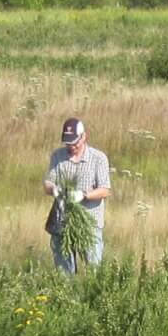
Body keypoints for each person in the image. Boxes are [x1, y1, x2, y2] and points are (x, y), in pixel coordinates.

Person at [43, 117, 112, 273]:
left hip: (90, 224)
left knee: (93, 270)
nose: (72, 146)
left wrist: (84, 195)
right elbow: (48, 183)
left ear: (84, 137)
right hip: (62, 223)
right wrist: (55, 190)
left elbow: (105, 190)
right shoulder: (57, 156)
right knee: (64, 273)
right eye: (68, 143)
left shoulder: (98, 158)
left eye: (75, 142)